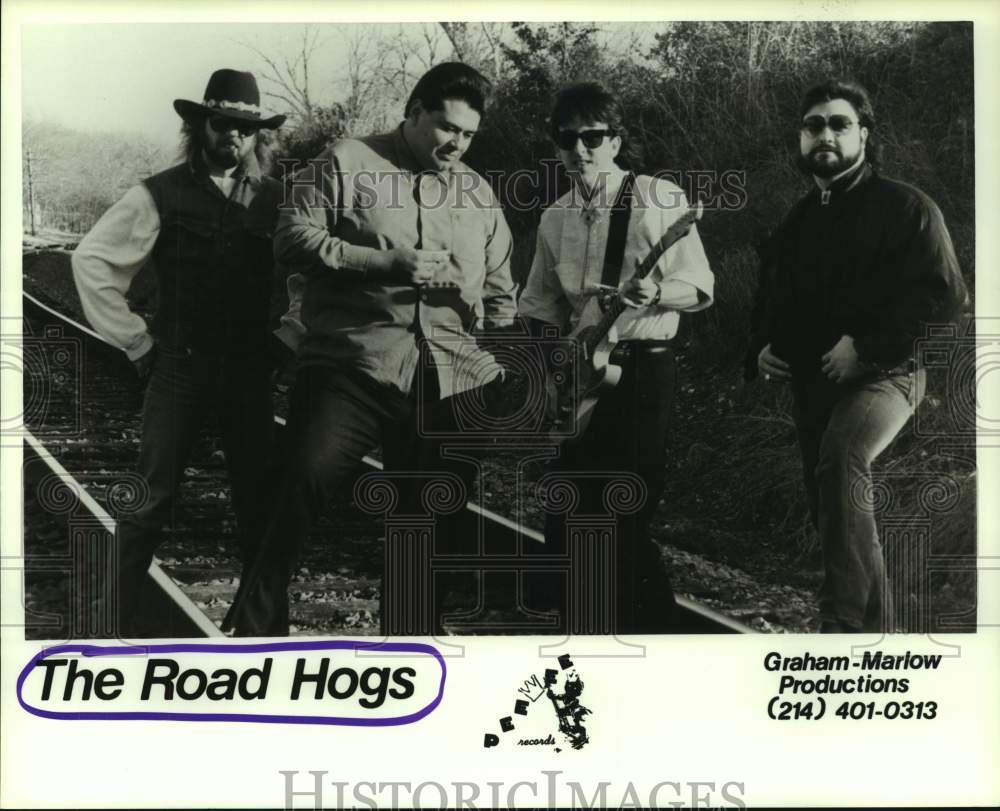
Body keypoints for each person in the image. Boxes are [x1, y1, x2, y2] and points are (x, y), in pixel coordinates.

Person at [228, 62, 517, 636]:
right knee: (300, 481)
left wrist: (502, 364)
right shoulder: (347, 161)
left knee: (428, 519)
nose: (456, 144)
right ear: (413, 113)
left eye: (468, 135)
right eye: (446, 127)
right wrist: (382, 262)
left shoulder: (479, 194)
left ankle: (411, 648)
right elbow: (291, 237)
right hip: (352, 361)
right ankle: (256, 633)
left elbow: (503, 291)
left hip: (448, 376)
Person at [747, 79, 968, 633]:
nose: (824, 134)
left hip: (888, 374)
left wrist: (866, 349)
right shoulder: (797, 220)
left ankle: (842, 626)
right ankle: (879, 629)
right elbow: (771, 298)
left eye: (838, 124)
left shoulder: (906, 207)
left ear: (863, 134)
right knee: (829, 498)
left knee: (842, 460)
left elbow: (943, 296)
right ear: (801, 138)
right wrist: (761, 348)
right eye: (813, 125)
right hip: (816, 383)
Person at [71, 68, 286, 635]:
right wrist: (136, 339)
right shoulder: (158, 193)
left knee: (259, 501)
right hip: (179, 365)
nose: (233, 138)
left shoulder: (277, 199)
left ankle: (264, 635)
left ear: (258, 135)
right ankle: (108, 623)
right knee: (149, 501)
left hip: (247, 369)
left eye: (245, 129)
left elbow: (307, 275)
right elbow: (90, 260)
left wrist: (292, 333)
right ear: (199, 126)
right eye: (222, 125)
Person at [519, 82, 714, 634]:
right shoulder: (555, 216)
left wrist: (657, 293)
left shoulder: (658, 197)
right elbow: (538, 301)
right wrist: (550, 357)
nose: (578, 149)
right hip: (579, 373)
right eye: (565, 138)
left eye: (592, 137)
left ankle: (657, 633)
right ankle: (582, 628)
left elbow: (699, 282)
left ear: (615, 141)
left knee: (625, 506)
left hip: (642, 367)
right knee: (571, 502)